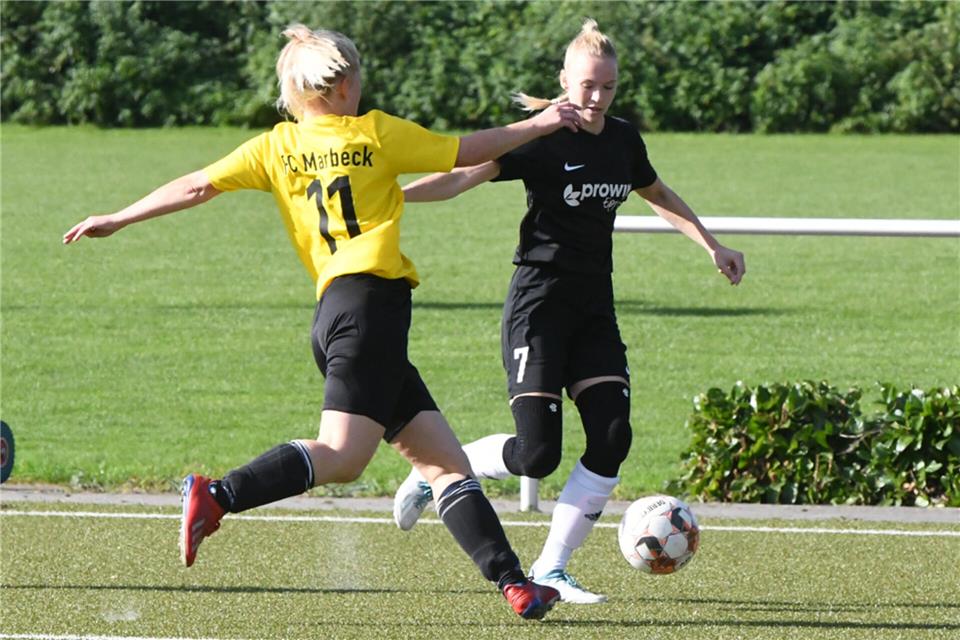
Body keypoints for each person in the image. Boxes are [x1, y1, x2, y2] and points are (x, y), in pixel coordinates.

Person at [63, 24, 584, 620]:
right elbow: (465, 149)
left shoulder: (275, 146)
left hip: (338, 312)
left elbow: (197, 184)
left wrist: (119, 217)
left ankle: (515, 584)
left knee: (442, 463)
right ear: (340, 86)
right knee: (343, 455)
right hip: (372, 311)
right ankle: (218, 495)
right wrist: (542, 123)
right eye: (357, 75)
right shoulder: (376, 134)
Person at [392, 18, 745, 604]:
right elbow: (460, 177)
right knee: (538, 454)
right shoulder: (540, 137)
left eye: (607, 87)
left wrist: (712, 244)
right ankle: (435, 471)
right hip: (538, 305)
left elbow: (658, 193)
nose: (596, 98)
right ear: (563, 80)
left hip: (593, 308)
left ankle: (552, 567)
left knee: (611, 435)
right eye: (586, 86)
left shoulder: (623, 140)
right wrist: (394, 196)